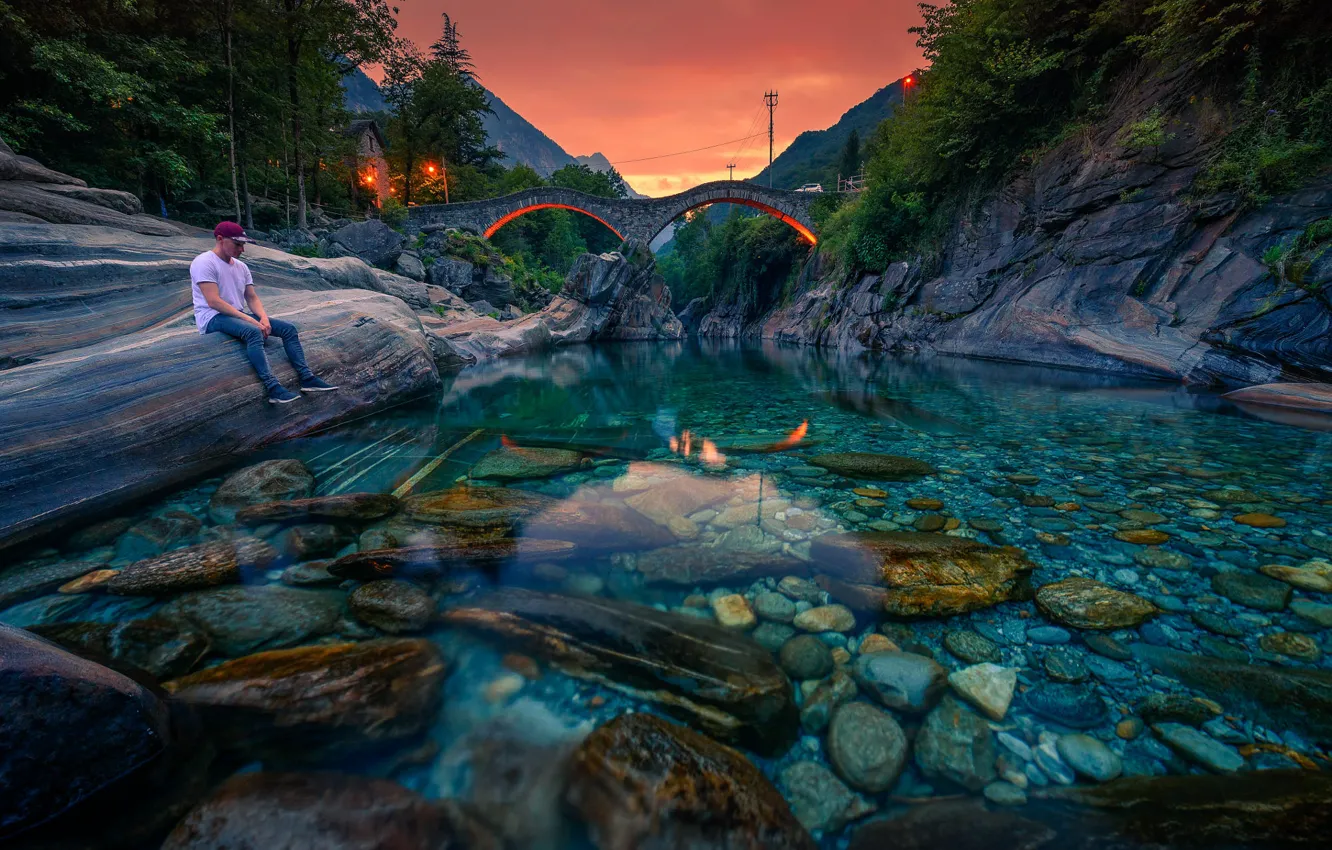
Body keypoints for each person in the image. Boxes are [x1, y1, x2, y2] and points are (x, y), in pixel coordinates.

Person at [191, 221, 339, 403]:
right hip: (212, 318)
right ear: (220, 239)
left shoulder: (241, 267)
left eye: (243, 245)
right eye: (238, 244)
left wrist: (263, 318)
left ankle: (307, 378)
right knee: (253, 332)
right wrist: (252, 321)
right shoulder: (204, 262)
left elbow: (251, 297)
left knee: (288, 329)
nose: (242, 250)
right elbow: (213, 301)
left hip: (235, 315)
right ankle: (273, 389)